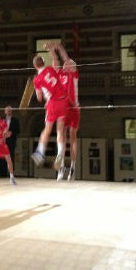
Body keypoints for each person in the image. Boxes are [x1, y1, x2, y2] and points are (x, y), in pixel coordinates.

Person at [30, 42, 69, 174]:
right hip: (63, 100)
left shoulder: (37, 79)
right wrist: (50, 49)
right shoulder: (51, 69)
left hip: (52, 103)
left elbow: (39, 98)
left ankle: (40, 153)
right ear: (43, 62)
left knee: (47, 130)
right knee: (60, 131)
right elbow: (56, 60)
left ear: (35, 66)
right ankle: (60, 153)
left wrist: (37, 88)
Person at [57, 43, 80, 181]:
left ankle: (72, 166)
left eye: (69, 63)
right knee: (61, 136)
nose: (65, 64)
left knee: (72, 137)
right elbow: (56, 63)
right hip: (62, 108)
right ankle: (61, 167)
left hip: (74, 108)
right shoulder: (60, 73)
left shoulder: (74, 74)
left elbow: (66, 58)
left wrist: (60, 48)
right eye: (65, 63)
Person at [3, 105, 20, 175]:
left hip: (11, 141)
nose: (8, 111)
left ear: (12, 111)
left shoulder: (15, 120)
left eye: (10, 110)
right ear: (5, 112)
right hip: (3, 141)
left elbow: (18, 130)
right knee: (2, 156)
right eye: (7, 110)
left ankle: (11, 173)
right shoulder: (2, 120)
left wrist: (11, 133)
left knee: (11, 156)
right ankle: (3, 172)